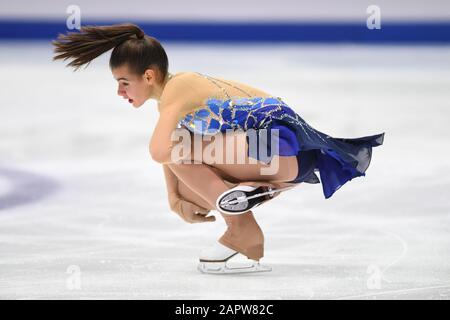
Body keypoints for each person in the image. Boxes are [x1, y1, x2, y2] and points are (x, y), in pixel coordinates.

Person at [52, 23, 385, 274]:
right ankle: (252, 199)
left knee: (179, 149)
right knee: (187, 186)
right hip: (281, 160)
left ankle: (244, 228)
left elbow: (158, 151)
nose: (120, 93)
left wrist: (174, 194)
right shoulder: (177, 97)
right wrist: (174, 200)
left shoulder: (179, 88)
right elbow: (170, 157)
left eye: (124, 83)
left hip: (277, 150)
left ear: (149, 76)